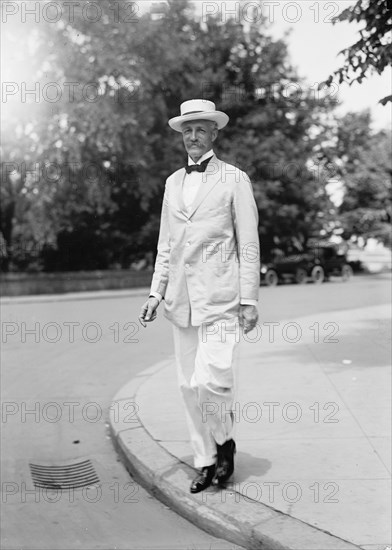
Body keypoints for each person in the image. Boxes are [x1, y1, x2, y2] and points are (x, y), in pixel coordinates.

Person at [139, 99, 260, 493]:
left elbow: (249, 243)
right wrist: (156, 292)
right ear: (182, 134)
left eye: (201, 129)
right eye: (187, 130)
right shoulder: (173, 183)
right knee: (189, 387)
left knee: (213, 381)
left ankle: (224, 442)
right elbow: (166, 244)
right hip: (180, 301)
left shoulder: (235, 179)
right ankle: (205, 460)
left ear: (214, 133)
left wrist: (250, 299)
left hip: (222, 299)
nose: (193, 136)